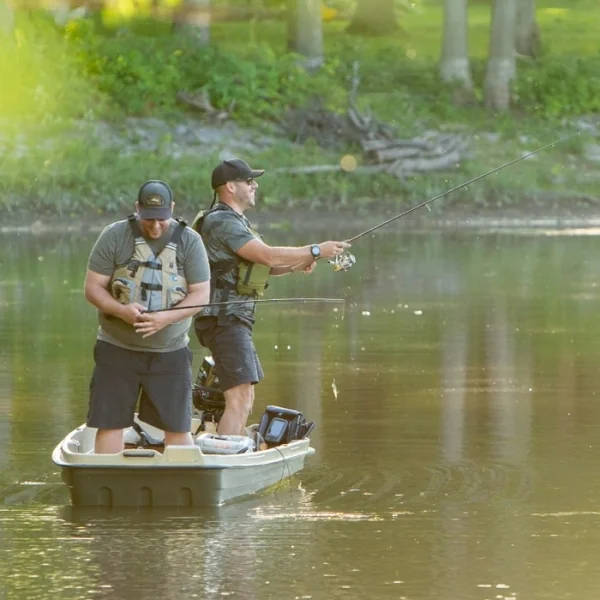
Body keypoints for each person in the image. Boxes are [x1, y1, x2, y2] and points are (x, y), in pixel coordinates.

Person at [192, 158, 351, 437]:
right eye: (249, 181)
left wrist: (300, 263)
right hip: (223, 319)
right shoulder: (221, 222)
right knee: (239, 399)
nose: (255, 185)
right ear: (230, 187)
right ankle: (228, 454)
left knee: (245, 397)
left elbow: (265, 266)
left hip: (233, 319)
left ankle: (231, 447)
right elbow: (267, 255)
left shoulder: (235, 221)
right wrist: (315, 250)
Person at [84, 180, 211, 453]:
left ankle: (181, 477)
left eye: (161, 219)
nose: (155, 226)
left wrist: (166, 318)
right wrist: (121, 311)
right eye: (148, 219)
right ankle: (107, 475)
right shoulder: (114, 235)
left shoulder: (190, 241)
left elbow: (201, 294)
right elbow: (93, 288)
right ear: (137, 208)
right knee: (110, 424)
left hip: (170, 352)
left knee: (178, 427)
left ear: (172, 208)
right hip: (116, 348)